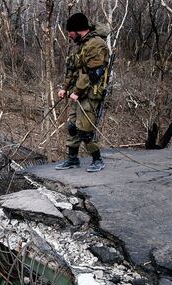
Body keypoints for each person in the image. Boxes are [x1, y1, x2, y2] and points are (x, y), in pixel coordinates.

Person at [55, 13, 110, 173]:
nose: (69, 35)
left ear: (78, 30)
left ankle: (97, 160)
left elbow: (93, 73)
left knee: (85, 129)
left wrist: (77, 92)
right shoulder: (82, 45)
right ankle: (73, 159)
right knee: (72, 126)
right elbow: (74, 70)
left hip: (90, 94)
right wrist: (65, 88)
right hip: (78, 93)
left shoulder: (96, 44)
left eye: (70, 32)